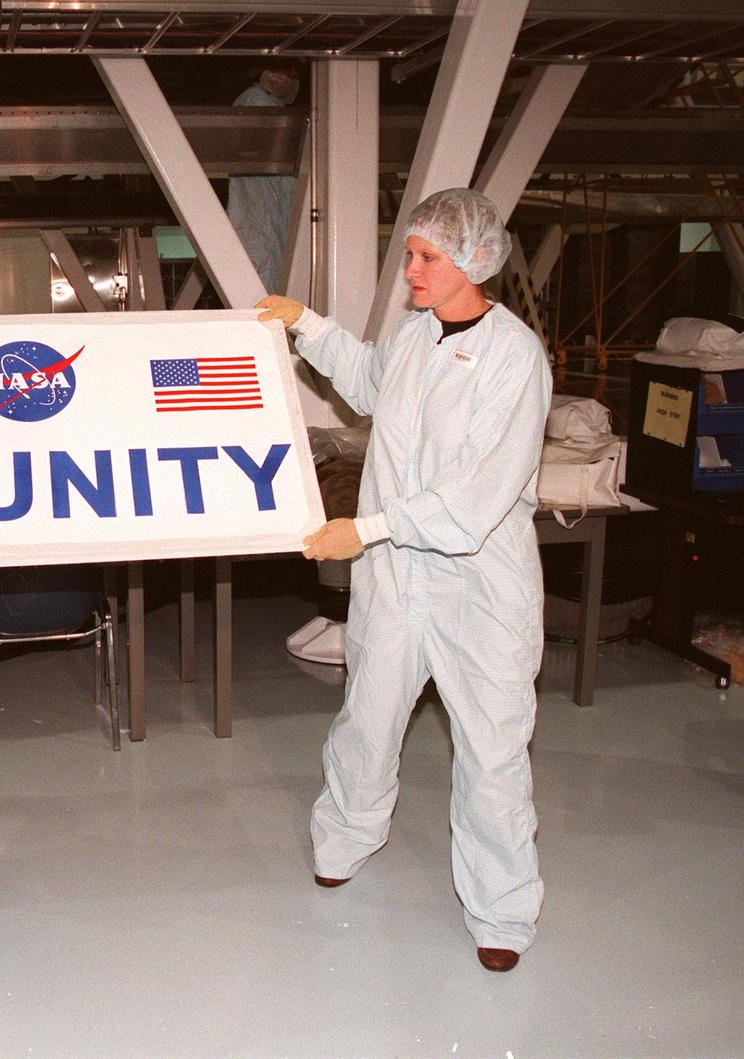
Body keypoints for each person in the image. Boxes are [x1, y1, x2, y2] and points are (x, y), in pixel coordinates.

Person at [258, 188, 552, 973]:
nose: (411, 271)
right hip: (395, 579)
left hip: (478, 588)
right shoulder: (418, 335)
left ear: (474, 260)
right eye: (411, 255)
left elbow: (476, 497)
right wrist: (306, 324)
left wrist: (369, 526)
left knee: (491, 751)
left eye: (425, 258)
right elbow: (368, 378)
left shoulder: (515, 357)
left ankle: (501, 909)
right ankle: (346, 837)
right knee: (369, 714)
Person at [227, 62, 301, 293]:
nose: (293, 79)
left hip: (268, 219)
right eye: (288, 72)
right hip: (260, 219)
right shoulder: (256, 102)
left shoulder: (267, 103)